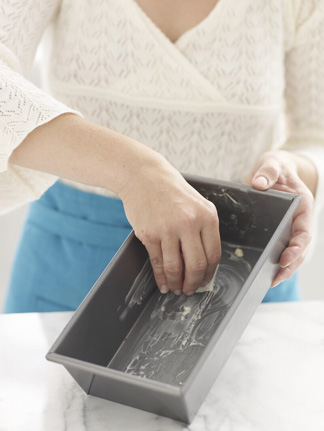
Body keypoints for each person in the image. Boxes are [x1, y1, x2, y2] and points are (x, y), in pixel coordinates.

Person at [1, 0, 323, 312]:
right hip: (72, 269)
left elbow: (315, 136)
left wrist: (293, 168)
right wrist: (135, 171)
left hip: (244, 277)